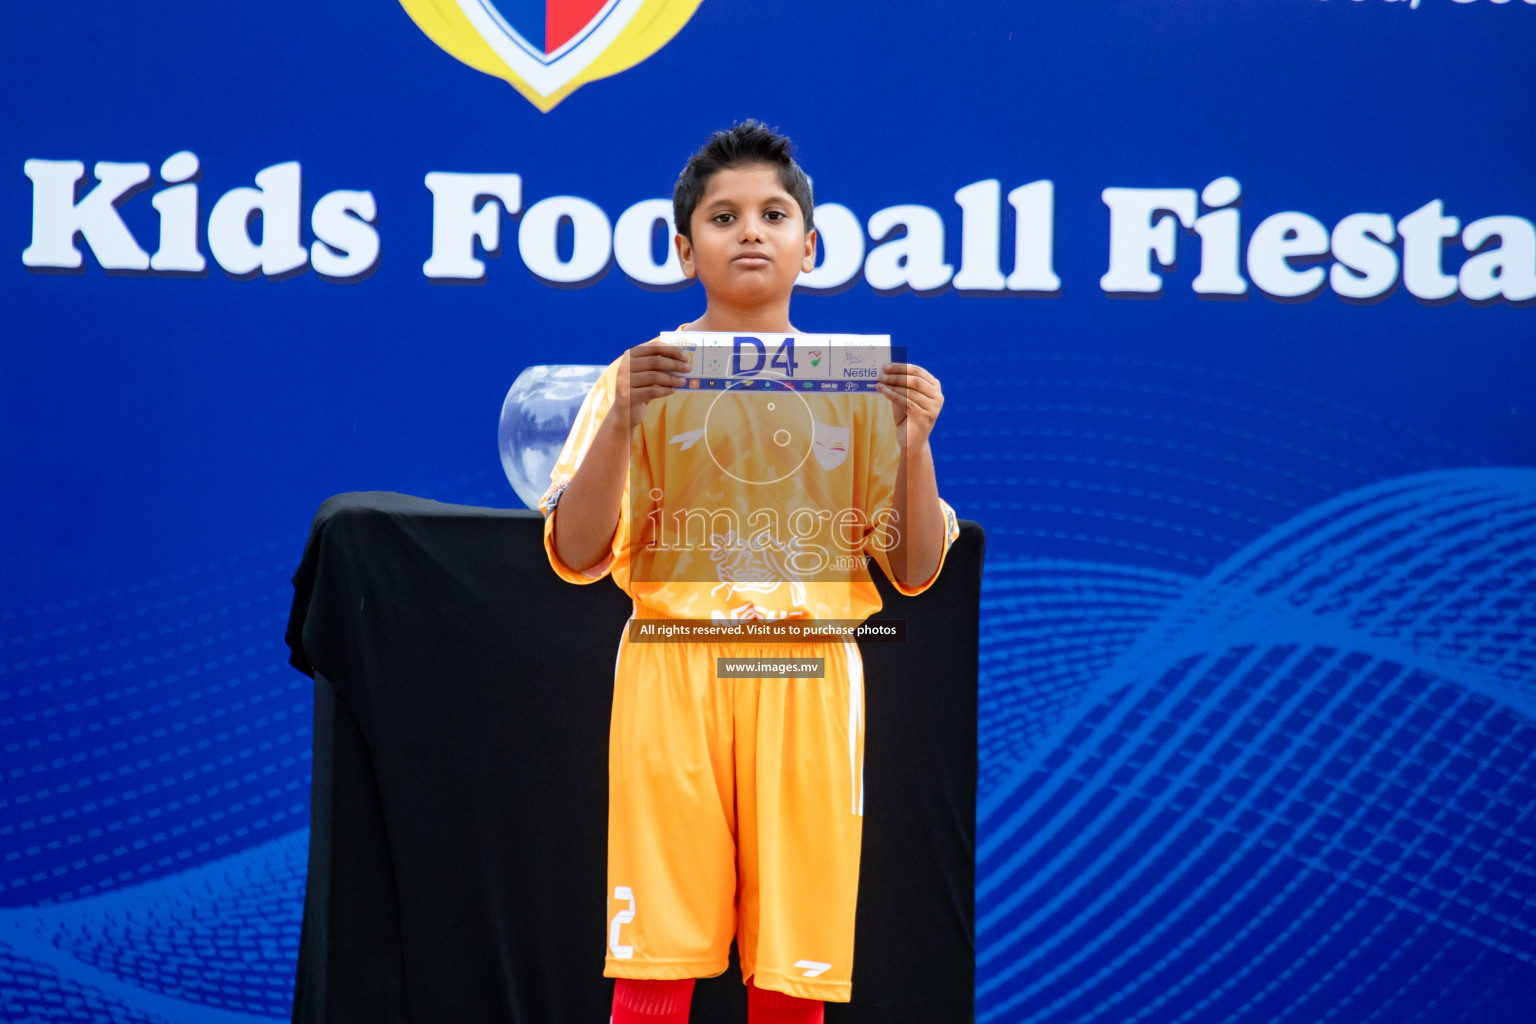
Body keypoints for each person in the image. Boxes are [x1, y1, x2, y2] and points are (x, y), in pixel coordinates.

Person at [538, 121, 960, 1024]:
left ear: (811, 246)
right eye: (724, 217)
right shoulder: (635, 380)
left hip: (805, 672)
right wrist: (620, 421)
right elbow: (575, 556)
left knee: (792, 961)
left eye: (774, 213)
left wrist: (915, 452)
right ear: (686, 251)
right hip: (671, 663)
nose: (752, 231)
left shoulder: (865, 391)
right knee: (657, 947)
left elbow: (918, 570)